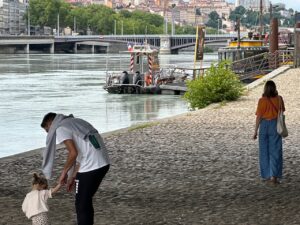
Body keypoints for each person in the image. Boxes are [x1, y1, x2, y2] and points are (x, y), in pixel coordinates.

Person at [40, 112, 110, 225]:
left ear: (50, 123)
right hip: (103, 163)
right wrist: (73, 176)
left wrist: (64, 173)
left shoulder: (60, 128)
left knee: (81, 203)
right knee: (85, 200)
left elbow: (73, 153)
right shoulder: (75, 122)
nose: (49, 134)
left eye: (48, 130)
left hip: (91, 166)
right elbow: (83, 153)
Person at [253, 80, 285, 184]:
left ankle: (266, 175)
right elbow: (282, 111)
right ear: (274, 88)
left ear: (265, 89)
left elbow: (258, 117)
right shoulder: (279, 99)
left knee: (264, 151)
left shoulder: (261, 101)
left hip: (264, 126)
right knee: (275, 151)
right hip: (275, 125)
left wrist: (255, 131)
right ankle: (274, 177)